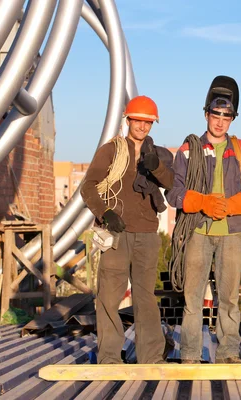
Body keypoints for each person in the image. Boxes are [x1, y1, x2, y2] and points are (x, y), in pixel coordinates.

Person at [165, 76, 241, 364]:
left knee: (230, 298)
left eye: (227, 116)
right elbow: (174, 191)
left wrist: (234, 204)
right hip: (198, 230)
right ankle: (191, 355)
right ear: (206, 114)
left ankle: (228, 353)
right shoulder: (189, 149)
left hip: (232, 233)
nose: (220, 122)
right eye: (216, 115)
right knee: (192, 298)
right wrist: (202, 202)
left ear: (233, 118)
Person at [81, 95, 174, 364]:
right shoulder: (111, 150)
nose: (143, 126)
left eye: (148, 122)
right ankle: (109, 358)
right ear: (128, 119)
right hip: (116, 233)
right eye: (138, 120)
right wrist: (106, 213)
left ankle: (151, 357)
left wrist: (155, 165)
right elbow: (88, 187)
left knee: (145, 297)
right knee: (110, 297)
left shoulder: (157, 154)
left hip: (146, 233)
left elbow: (171, 183)